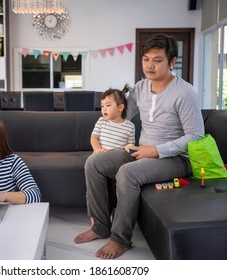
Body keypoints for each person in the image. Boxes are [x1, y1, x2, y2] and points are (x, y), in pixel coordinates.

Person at [74, 33, 205, 259]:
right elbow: (122, 115)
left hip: (175, 159)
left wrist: (156, 150)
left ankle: (120, 239)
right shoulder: (140, 88)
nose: (150, 65)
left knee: (127, 173)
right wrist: (106, 125)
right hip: (140, 151)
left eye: (157, 60)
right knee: (94, 162)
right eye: (146, 59)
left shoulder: (185, 93)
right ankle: (100, 225)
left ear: (172, 62)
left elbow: (196, 136)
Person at [91, 85, 135, 153]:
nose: (104, 109)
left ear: (120, 108)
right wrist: (98, 150)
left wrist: (130, 147)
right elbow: (94, 138)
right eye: (102, 106)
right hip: (100, 156)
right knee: (91, 160)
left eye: (108, 105)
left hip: (116, 158)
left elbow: (131, 145)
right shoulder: (101, 121)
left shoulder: (130, 126)